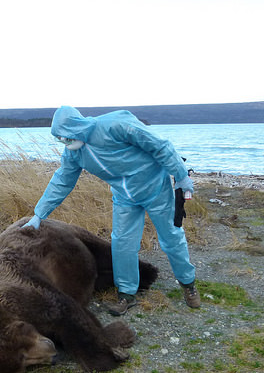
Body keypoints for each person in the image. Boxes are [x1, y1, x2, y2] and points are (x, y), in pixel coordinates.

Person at [23, 106, 200, 314]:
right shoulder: (74, 153)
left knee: (171, 238)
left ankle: (188, 284)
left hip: (155, 188)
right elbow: (62, 181)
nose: (66, 143)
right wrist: (39, 214)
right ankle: (126, 294)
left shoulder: (115, 126)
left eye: (67, 138)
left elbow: (160, 146)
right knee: (122, 243)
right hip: (124, 196)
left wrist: (181, 176)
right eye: (61, 139)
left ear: (77, 127)